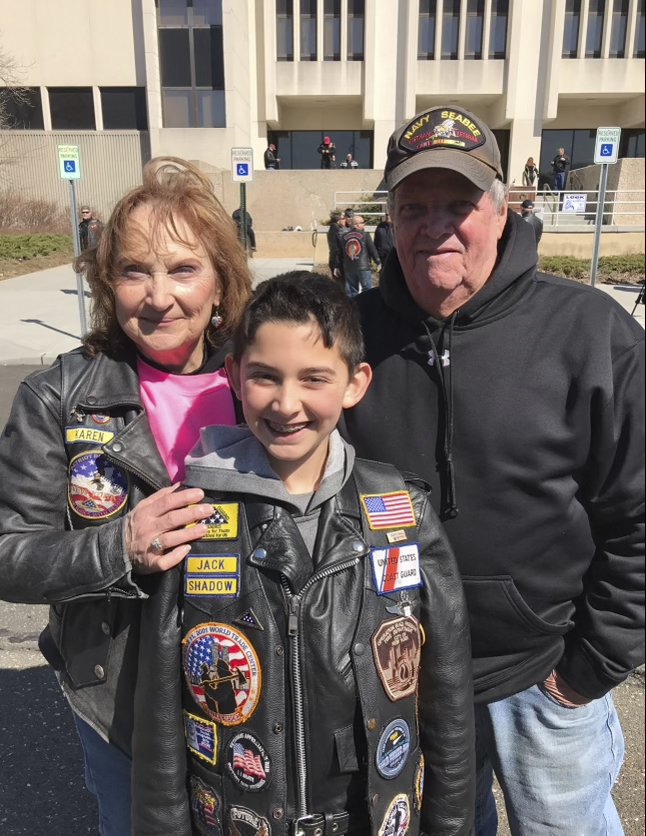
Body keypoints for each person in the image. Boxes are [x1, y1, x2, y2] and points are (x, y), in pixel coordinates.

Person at [342, 104, 645, 835]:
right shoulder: (346, 335)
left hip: (545, 673)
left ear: (503, 209)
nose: (435, 225)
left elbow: (637, 518)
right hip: (404, 678)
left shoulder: (591, 333)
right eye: (414, 206)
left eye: (459, 203)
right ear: (390, 220)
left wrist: (587, 670)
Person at [131, 271, 475, 835]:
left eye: (314, 378)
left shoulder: (401, 513)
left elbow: (448, 706)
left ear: (354, 383)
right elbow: (161, 723)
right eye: (265, 377)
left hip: (370, 816)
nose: (287, 403)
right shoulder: (194, 516)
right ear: (235, 376)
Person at [0, 157, 253, 835]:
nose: (158, 295)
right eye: (135, 270)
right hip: (121, 700)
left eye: (183, 269)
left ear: (222, 283)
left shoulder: (263, 383)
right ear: (108, 284)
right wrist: (121, 546)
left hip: (253, 689)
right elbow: (10, 553)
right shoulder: (56, 395)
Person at [335, 214, 381, 298]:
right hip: (363, 267)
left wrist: (337, 266)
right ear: (357, 224)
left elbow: (339, 253)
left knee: (352, 292)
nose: (364, 224)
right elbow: (372, 250)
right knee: (367, 291)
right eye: (363, 222)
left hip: (349, 268)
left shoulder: (344, 236)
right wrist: (378, 262)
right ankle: (366, 309)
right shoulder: (365, 235)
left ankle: (354, 309)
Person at [326, 209, 346, 280]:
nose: (345, 220)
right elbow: (335, 248)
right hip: (337, 262)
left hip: (339, 261)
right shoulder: (334, 230)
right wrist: (336, 266)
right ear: (338, 220)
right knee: (341, 286)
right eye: (343, 218)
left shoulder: (338, 229)